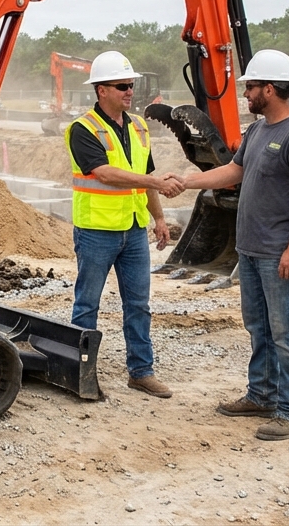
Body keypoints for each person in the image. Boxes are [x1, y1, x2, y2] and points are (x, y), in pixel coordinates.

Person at [181, 49, 289, 441]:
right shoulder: (259, 132)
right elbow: (234, 170)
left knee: (286, 333)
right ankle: (262, 395)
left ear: (271, 89)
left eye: (251, 87)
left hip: (280, 254)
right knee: (259, 327)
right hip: (252, 250)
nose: (246, 94)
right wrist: (186, 182)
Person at [65, 50, 185, 399]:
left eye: (131, 85)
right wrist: (156, 183)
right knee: (87, 305)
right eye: (122, 86)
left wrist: (159, 217)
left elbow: (144, 175)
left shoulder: (138, 127)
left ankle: (141, 372)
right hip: (96, 230)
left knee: (139, 304)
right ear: (101, 90)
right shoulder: (83, 129)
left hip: (133, 231)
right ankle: (80, 373)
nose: (129, 92)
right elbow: (105, 173)